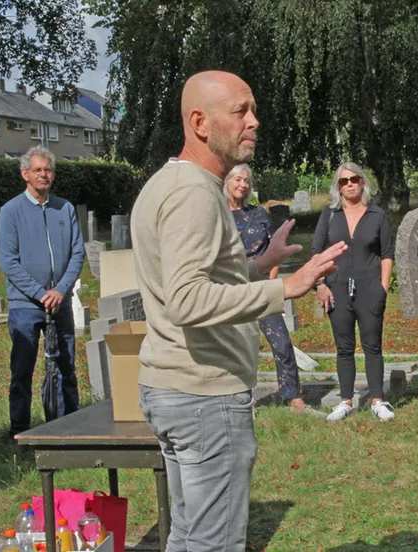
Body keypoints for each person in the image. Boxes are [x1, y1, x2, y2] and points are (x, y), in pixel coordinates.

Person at [130, 70, 346, 552]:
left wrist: (258, 264)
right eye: (241, 111)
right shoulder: (194, 194)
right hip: (203, 395)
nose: (255, 120)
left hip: (172, 387)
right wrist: (285, 288)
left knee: (187, 536)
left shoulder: (167, 183)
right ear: (200, 122)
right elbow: (188, 301)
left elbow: (191, 282)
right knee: (215, 543)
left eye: (253, 109)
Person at [0, 145, 84, 444]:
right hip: (25, 306)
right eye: (37, 170)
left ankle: (68, 426)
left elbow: (77, 253)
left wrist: (60, 290)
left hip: (60, 303)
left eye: (47, 170)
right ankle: (18, 430)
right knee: (22, 369)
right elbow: (8, 260)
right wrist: (39, 293)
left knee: (65, 366)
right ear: (25, 174)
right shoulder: (10, 212)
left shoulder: (65, 208)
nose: (43, 175)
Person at [224, 164, 322, 416]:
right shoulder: (217, 216)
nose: (243, 185)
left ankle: (294, 399)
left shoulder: (258, 214)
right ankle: (246, 402)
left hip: (263, 288)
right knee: (239, 348)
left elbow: (274, 251)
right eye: (238, 179)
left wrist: (272, 281)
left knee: (281, 342)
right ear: (227, 181)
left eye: (246, 180)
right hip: (232, 291)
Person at [312, 163, 395, 422]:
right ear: (338, 186)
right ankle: (346, 401)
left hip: (370, 289)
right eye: (344, 181)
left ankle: (378, 401)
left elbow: (386, 255)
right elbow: (316, 252)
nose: (349, 184)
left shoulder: (377, 215)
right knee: (344, 347)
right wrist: (321, 285)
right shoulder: (329, 214)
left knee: (373, 346)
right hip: (337, 289)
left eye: (354, 179)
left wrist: (382, 288)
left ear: (363, 182)